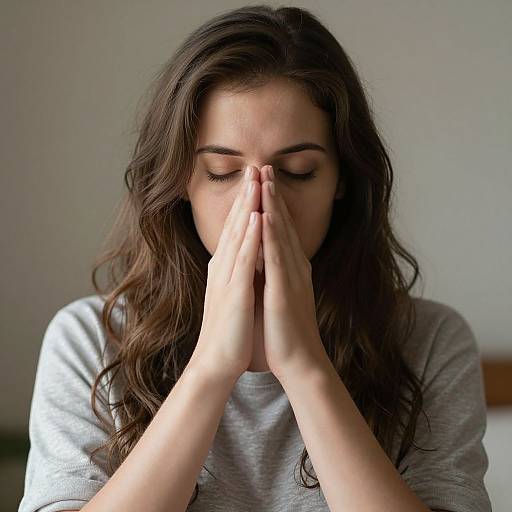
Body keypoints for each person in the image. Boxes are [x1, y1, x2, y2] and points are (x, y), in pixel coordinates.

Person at [18, 5, 491, 512]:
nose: (261, 206)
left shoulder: (429, 343)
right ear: (181, 183)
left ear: (343, 181)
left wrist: (305, 366)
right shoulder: (90, 342)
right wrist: (212, 368)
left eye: (298, 170)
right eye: (223, 171)